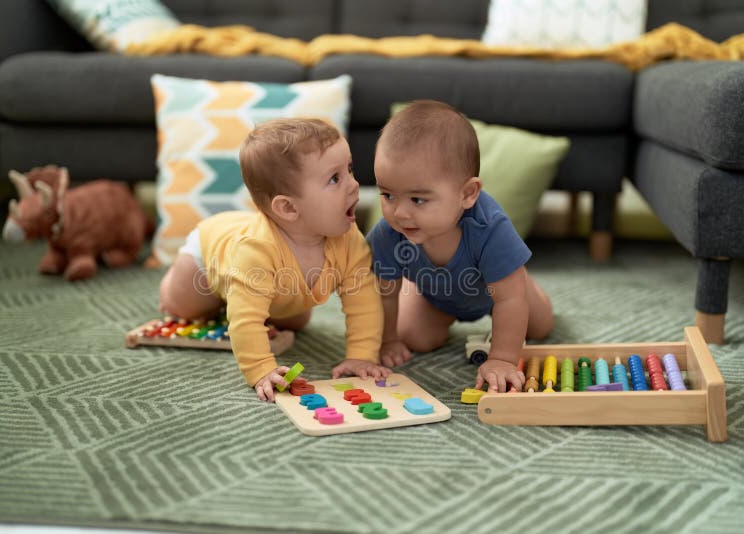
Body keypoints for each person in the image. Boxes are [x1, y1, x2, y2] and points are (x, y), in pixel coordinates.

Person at [159, 118, 390, 401]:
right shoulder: (255, 250)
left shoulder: (349, 238)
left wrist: (362, 356)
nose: (354, 185)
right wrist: (260, 369)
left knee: (296, 321)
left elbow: (363, 299)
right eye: (335, 178)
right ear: (289, 207)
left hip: (281, 287)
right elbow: (244, 321)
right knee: (185, 306)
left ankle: (250, 298)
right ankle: (171, 287)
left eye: (350, 169)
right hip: (208, 257)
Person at [366, 100, 554, 393]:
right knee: (415, 338)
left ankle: (521, 278)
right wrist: (387, 339)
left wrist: (502, 359)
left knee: (539, 326)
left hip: (499, 293)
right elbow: (384, 294)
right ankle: (418, 291)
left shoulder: (490, 229)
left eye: (417, 199)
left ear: (467, 194)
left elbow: (509, 301)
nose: (400, 213)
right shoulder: (389, 233)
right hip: (437, 296)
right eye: (388, 195)